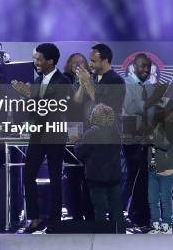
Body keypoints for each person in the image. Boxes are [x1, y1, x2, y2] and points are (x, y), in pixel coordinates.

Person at [11, 43, 71, 233]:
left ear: (50, 61)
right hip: (37, 135)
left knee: (55, 179)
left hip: (55, 135)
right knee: (28, 176)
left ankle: (55, 221)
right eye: (35, 58)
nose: (35, 62)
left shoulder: (63, 82)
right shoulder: (36, 82)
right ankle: (34, 219)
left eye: (39, 59)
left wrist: (30, 96)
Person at [121, 53, 163, 227]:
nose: (146, 70)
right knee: (134, 174)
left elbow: (153, 113)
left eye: (148, 67)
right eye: (142, 66)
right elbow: (131, 108)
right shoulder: (125, 84)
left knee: (146, 177)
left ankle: (141, 215)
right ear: (133, 66)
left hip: (148, 137)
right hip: (131, 136)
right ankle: (127, 212)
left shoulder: (150, 87)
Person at [75, 104, 126, 233]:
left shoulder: (90, 134)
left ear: (94, 117)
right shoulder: (116, 134)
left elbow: (80, 153)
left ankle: (103, 237)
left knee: (100, 209)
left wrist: (76, 142)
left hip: (96, 177)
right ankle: (121, 234)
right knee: (117, 208)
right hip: (114, 176)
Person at [62, 52, 94, 221]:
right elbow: (75, 103)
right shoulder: (65, 80)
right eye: (74, 63)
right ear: (69, 65)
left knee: (89, 175)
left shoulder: (92, 79)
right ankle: (75, 214)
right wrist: (81, 84)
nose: (78, 66)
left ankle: (90, 213)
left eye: (81, 63)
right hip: (73, 127)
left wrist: (86, 81)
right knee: (73, 174)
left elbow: (96, 100)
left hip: (90, 128)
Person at [146, 98, 173, 234]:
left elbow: (165, 145)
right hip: (153, 167)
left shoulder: (172, 125)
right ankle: (155, 225)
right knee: (152, 199)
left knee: (165, 198)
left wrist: (152, 137)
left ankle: (167, 226)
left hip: (167, 168)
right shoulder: (154, 125)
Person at [74, 43, 126, 119]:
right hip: (88, 127)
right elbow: (77, 102)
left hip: (107, 128)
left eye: (93, 61)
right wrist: (82, 84)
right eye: (90, 60)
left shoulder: (116, 80)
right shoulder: (91, 77)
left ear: (105, 61)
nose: (90, 64)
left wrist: (87, 82)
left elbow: (103, 107)